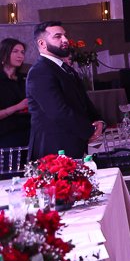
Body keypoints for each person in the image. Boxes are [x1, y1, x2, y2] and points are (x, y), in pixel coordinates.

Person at [25, 22, 103, 159]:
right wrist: (89, 131)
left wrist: (98, 121)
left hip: (72, 143)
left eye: (65, 35)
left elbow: (83, 101)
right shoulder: (40, 71)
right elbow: (58, 111)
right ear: (42, 43)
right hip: (53, 149)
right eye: (58, 36)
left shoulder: (65, 68)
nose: (65, 40)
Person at [0, 38, 30, 149]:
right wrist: (17, 107)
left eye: (22, 52)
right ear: (4, 54)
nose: (20, 56)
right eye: (15, 51)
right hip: (6, 135)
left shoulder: (24, 78)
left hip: (28, 130)